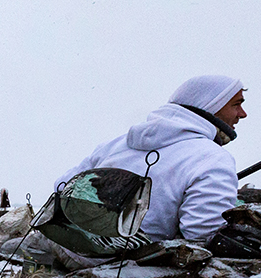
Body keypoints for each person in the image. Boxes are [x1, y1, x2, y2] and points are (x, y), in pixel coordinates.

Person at [56, 74, 247, 243]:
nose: (242, 114)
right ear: (210, 106)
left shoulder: (118, 143)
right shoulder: (212, 158)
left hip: (73, 250)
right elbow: (203, 233)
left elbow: (61, 186)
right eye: (236, 105)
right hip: (130, 267)